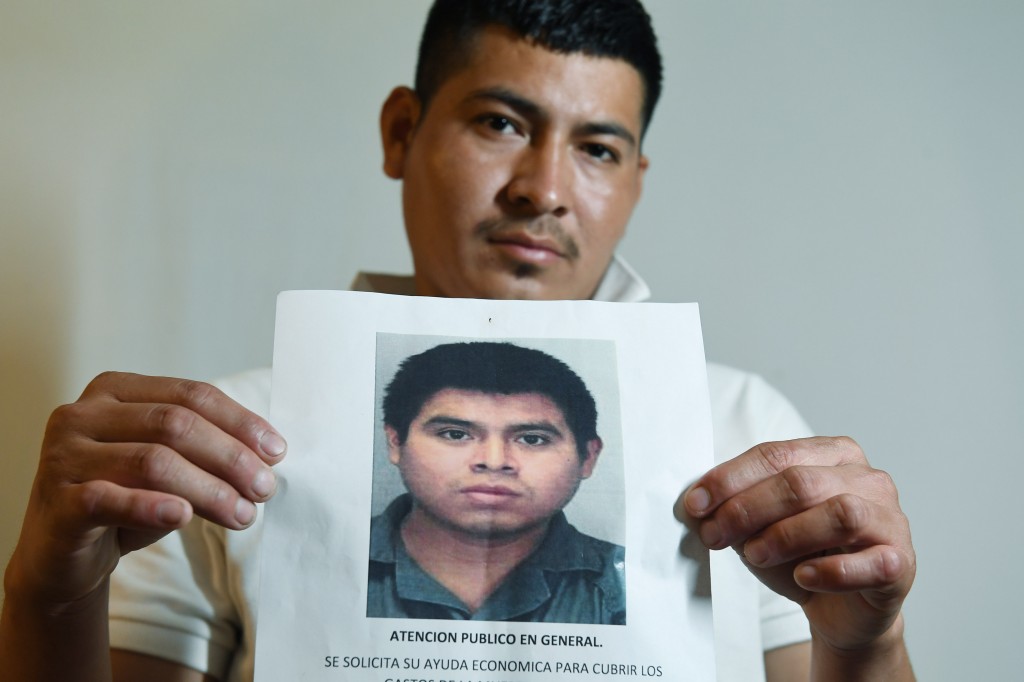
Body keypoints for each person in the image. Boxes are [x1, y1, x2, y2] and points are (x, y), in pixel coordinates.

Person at [0, 1, 916, 680]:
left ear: (637, 180)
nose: (543, 188)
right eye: (502, 123)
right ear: (403, 131)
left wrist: (864, 639)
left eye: (597, 148)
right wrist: (47, 590)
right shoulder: (219, 445)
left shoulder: (743, 427)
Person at [368, 341, 625, 624]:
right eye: (454, 434)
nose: (493, 461)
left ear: (588, 457)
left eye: (532, 439)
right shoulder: (330, 557)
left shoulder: (632, 584)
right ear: (395, 443)